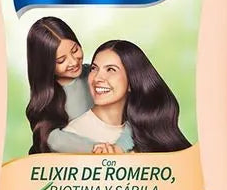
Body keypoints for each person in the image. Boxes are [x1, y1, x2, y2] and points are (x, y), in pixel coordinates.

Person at [25, 17, 134, 154]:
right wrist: (98, 149)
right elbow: (53, 140)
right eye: (61, 60)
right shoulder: (47, 99)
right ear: (45, 65)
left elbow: (138, 112)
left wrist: (120, 146)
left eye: (75, 50)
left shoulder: (96, 75)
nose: (73, 62)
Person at [62, 40, 191, 153]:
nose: (97, 78)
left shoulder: (146, 127)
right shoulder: (74, 135)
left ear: (131, 82)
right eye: (94, 68)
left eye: (110, 69)